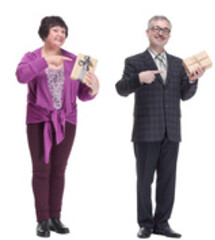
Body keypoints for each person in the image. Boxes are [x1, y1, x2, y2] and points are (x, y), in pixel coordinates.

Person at [115, 15, 203, 239]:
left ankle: (162, 223)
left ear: (169, 36)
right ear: (147, 32)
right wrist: (138, 79)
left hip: (171, 131)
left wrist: (193, 80)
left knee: (167, 180)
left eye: (165, 30)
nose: (161, 32)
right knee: (144, 180)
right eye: (156, 28)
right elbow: (121, 89)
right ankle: (145, 224)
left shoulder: (178, 63)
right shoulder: (134, 61)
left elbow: (184, 95)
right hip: (146, 130)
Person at [15, 15, 100, 238]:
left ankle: (55, 217)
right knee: (41, 169)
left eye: (63, 31)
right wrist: (45, 62)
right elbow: (21, 76)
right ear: (44, 33)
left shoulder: (75, 59)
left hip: (67, 120)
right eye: (55, 30)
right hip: (39, 121)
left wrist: (93, 88)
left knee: (59, 170)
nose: (60, 35)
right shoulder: (32, 57)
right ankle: (42, 219)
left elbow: (82, 94)